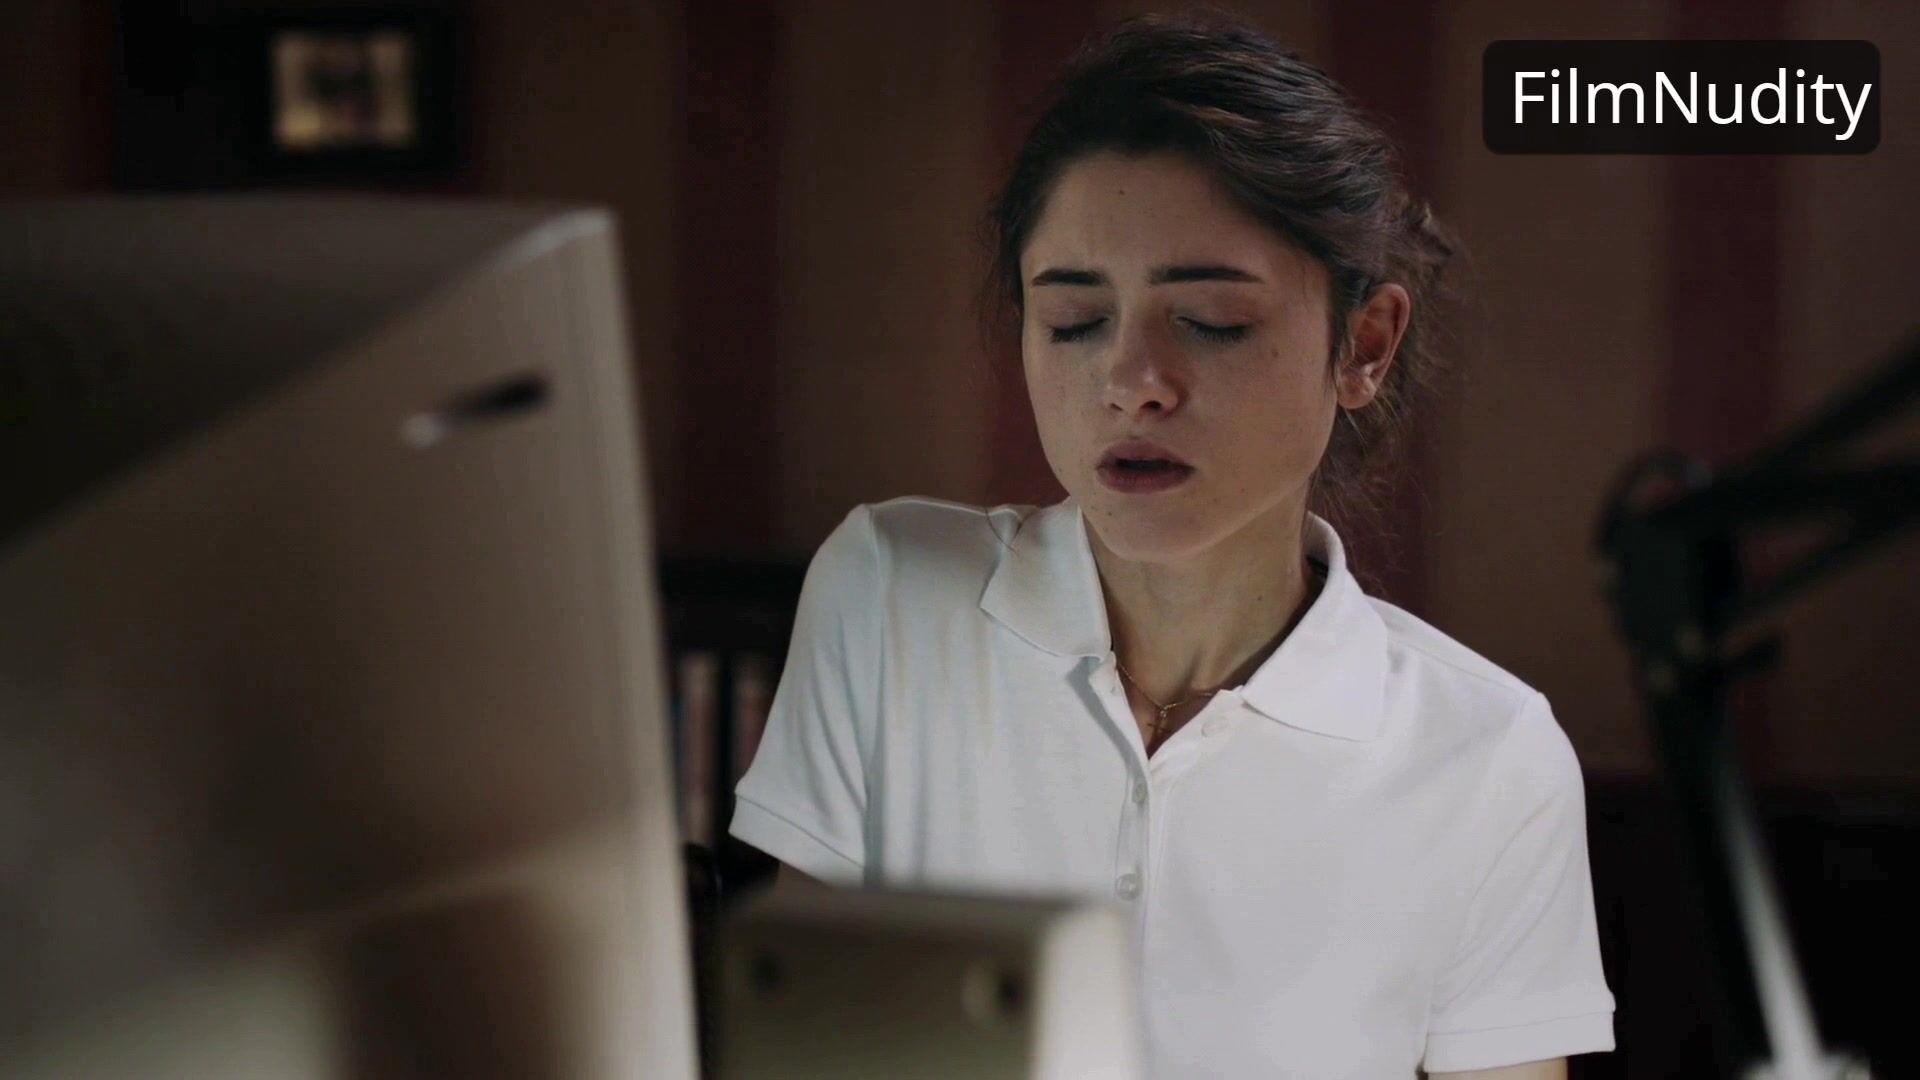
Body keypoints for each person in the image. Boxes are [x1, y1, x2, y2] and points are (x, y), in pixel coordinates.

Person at [729, 13, 1615, 1079]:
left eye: (1208, 320)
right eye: (1074, 321)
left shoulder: (1488, 756)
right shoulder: (890, 596)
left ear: (1365, 345)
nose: (1131, 382)